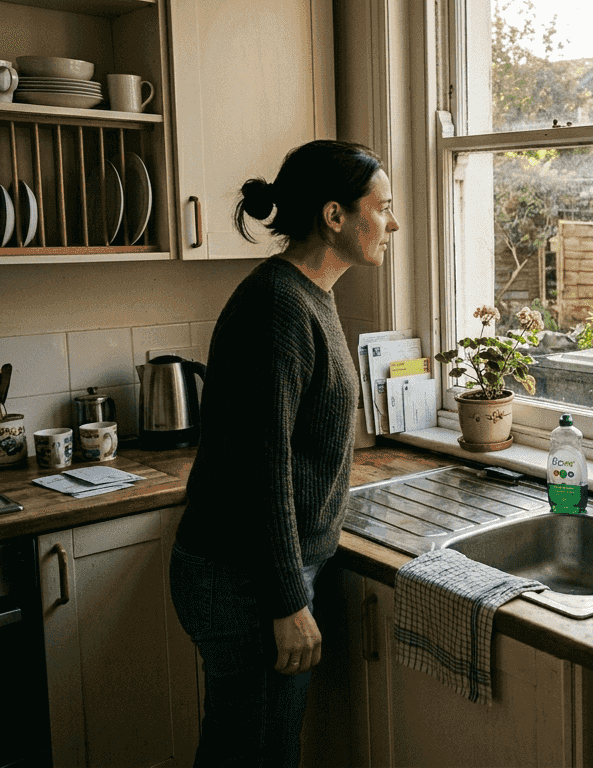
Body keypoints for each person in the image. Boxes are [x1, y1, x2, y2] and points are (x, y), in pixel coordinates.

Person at [169, 140, 398, 767]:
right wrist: (288, 601)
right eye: (382, 207)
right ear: (334, 216)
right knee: (254, 754)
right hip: (242, 580)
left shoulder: (308, 294)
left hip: (257, 573)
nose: (392, 223)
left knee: (258, 747)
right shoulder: (279, 307)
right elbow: (262, 471)